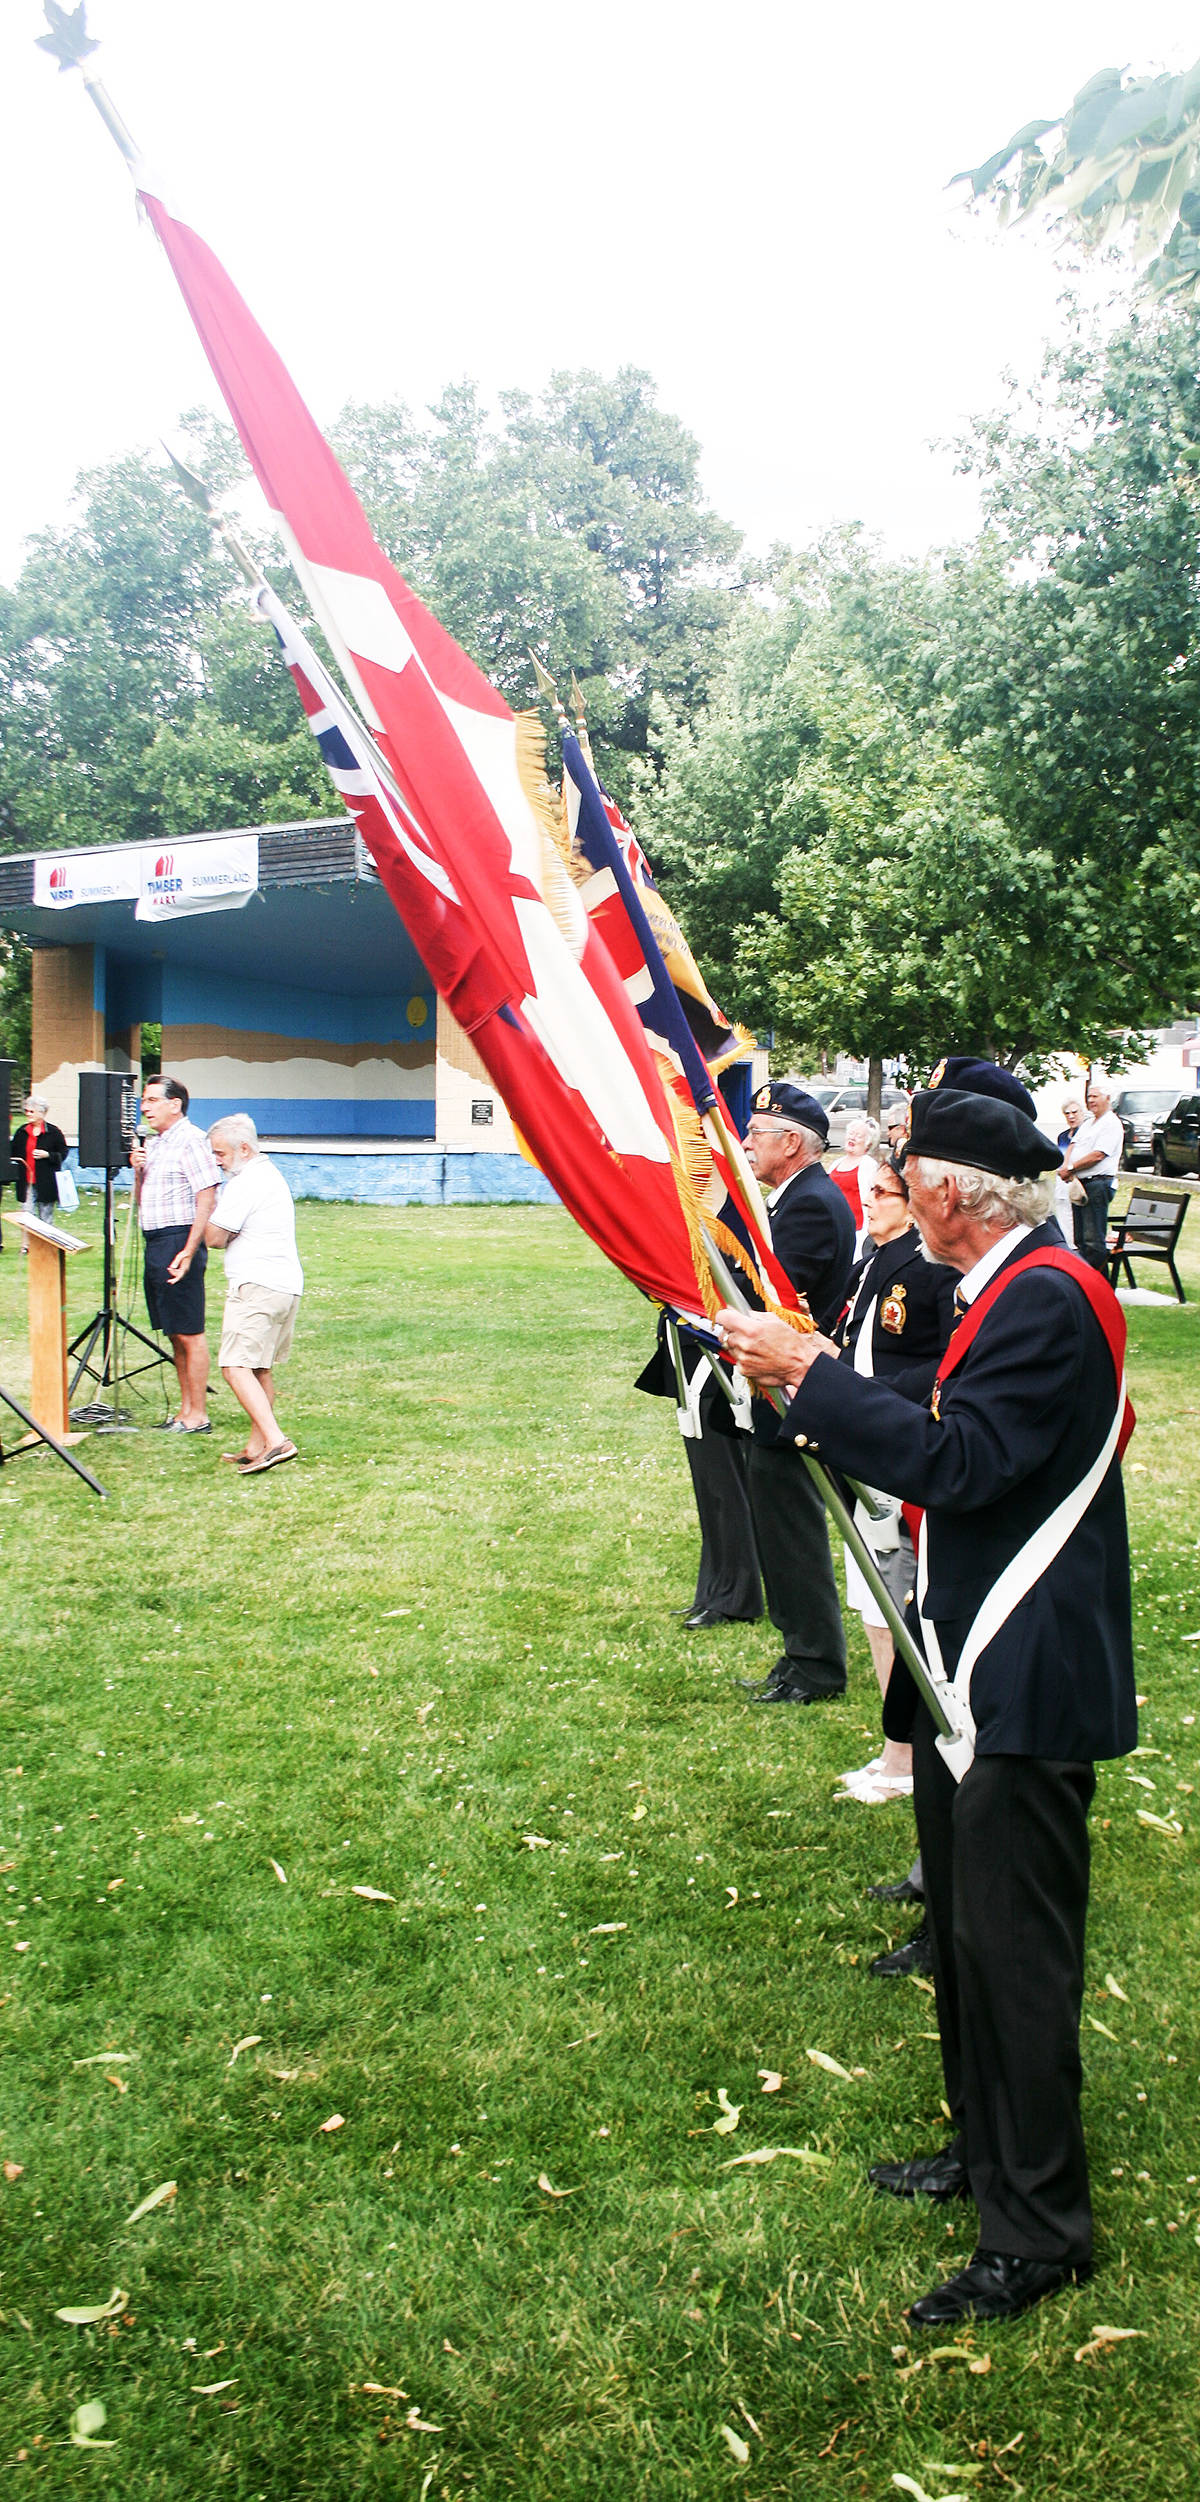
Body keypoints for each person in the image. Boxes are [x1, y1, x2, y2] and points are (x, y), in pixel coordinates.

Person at [715, 1073, 1135, 2328]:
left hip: (1025, 1671)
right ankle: (985, 2153)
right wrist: (811, 1386)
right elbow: (938, 1410)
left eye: (908, 1175)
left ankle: (1042, 2227)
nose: (893, 1191)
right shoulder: (1004, 1283)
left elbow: (961, 1460)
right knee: (963, 1933)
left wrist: (817, 1376)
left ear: (951, 1192)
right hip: (974, 1664)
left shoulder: (1045, 1298)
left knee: (1015, 1957)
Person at [835, 1153, 958, 1804]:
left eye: (883, 1191)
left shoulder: (928, 1265)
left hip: (901, 1441)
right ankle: (898, 1749)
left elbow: (948, 1362)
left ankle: (909, 1756)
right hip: (865, 1441)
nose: (871, 1200)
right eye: (867, 1190)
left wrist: (866, 1392)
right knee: (873, 1602)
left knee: (895, 1602)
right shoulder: (872, 1258)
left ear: (912, 1202)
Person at [738, 1081, 855, 1705]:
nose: (746, 1143)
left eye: (756, 1133)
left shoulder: (808, 1202)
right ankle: (798, 1657)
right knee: (778, 1525)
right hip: (784, 1392)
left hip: (796, 1393)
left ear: (790, 1142)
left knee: (793, 1530)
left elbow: (781, 1301)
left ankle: (814, 1665)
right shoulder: (795, 1197)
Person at [634, 1316, 762, 1629]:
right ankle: (713, 1590)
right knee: (710, 1491)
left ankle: (736, 1598)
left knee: (726, 1490)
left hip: (715, 1360)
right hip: (688, 1354)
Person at [205, 1115, 303, 1473]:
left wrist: (217, 1220)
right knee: (260, 1368)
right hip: (285, 1285)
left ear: (243, 1148)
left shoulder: (245, 1183)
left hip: (257, 1286)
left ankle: (277, 1441)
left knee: (234, 1365)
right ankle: (255, 1445)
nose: (217, 1160)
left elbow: (214, 1237)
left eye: (220, 1153)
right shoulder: (270, 1174)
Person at [130, 1075, 220, 1433]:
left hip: (178, 1240)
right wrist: (138, 1171)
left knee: (189, 1330)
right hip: (154, 1240)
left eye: (152, 1100)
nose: (145, 1107)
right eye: (144, 1101)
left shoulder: (193, 1141)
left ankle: (198, 1414)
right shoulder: (155, 1144)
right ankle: (184, 1412)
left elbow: (207, 1196)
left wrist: (188, 1249)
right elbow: (142, 1198)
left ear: (175, 1104)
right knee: (173, 1331)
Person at [1059, 1075, 1124, 1272]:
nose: (1091, 1100)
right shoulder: (1088, 1124)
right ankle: (1083, 1281)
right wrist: (1066, 1165)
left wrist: (1072, 1168)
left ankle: (1098, 1283)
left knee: (1093, 1239)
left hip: (1098, 1185)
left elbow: (1098, 1155)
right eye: (1089, 1096)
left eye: (1095, 1096)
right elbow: (1073, 1144)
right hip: (1080, 1184)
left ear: (1108, 1098)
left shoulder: (1111, 1124)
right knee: (1079, 1239)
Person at [10, 1094, 68, 1249]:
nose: (28, 1114)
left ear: (41, 1113)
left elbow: (63, 1153)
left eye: (31, 1111)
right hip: (26, 1181)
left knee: (46, 1214)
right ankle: (27, 1246)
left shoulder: (53, 1132)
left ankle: (47, 1244)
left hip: (46, 1181)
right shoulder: (21, 1132)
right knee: (27, 1213)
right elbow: (13, 1152)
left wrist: (48, 1155)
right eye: (27, 1111)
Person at [828, 1114, 881, 1254]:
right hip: (833, 1228)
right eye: (851, 1133)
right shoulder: (835, 1164)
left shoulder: (868, 1164)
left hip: (856, 1232)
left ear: (868, 1143)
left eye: (858, 1135)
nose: (852, 1137)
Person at [1053, 1094, 1085, 1240]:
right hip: (1062, 1180)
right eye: (1067, 1113)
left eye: (1074, 1112)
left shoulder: (1085, 1133)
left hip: (1076, 1180)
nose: (1071, 1116)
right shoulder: (1063, 1136)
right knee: (1062, 1214)